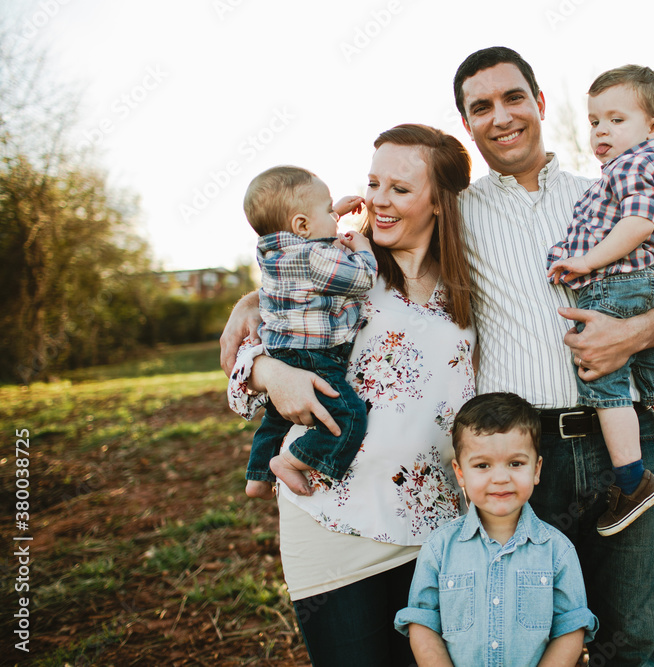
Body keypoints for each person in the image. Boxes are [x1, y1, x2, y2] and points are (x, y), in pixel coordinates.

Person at [453, 47, 654, 666]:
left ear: (539, 104)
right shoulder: (454, 215)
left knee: (630, 643)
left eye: (513, 98)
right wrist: (252, 298)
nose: (501, 116)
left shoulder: (606, 191)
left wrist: (633, 333)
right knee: (531, 646)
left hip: (623, 445)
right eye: (480, 107)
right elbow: (366, 258)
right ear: (467, 124)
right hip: (521, 457)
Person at [223, 124, 476, 666]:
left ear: (441, 202)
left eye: (401, 189)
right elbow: (240, 385)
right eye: (373, 182)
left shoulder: (476, 284)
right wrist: (270, 373)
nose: (378, 201)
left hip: (433, 531)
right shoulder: (335, 267)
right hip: (330, 525)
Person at [545, 65, 654, 536]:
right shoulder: (644, 168)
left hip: (616, 284)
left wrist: (586, 261)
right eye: (594, 121)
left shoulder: (633, 165)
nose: (601, 130)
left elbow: (639, 225)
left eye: (615, 119)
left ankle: (631, 482)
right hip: (641, 283)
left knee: (605, 384)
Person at [394, 392, 598, 667]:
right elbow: (422, 623)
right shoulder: (439, 548)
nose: (501, 478)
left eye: (516, 463)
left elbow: (571, 628)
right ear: (461, 472)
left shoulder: (557, 551)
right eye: (482, 465)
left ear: (537, 469)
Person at [242, 165, 375, 499]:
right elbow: (362, 279)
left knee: (274, 417)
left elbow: (312, 231)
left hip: (281, 351)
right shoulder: (316, 256)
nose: (336, 218)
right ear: (301, 224)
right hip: (315, 355)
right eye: (329, 211)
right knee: (348, 416)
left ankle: (256, 476)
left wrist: (334, 212)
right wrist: (363, 249)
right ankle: (290, 461)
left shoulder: (269, 251)